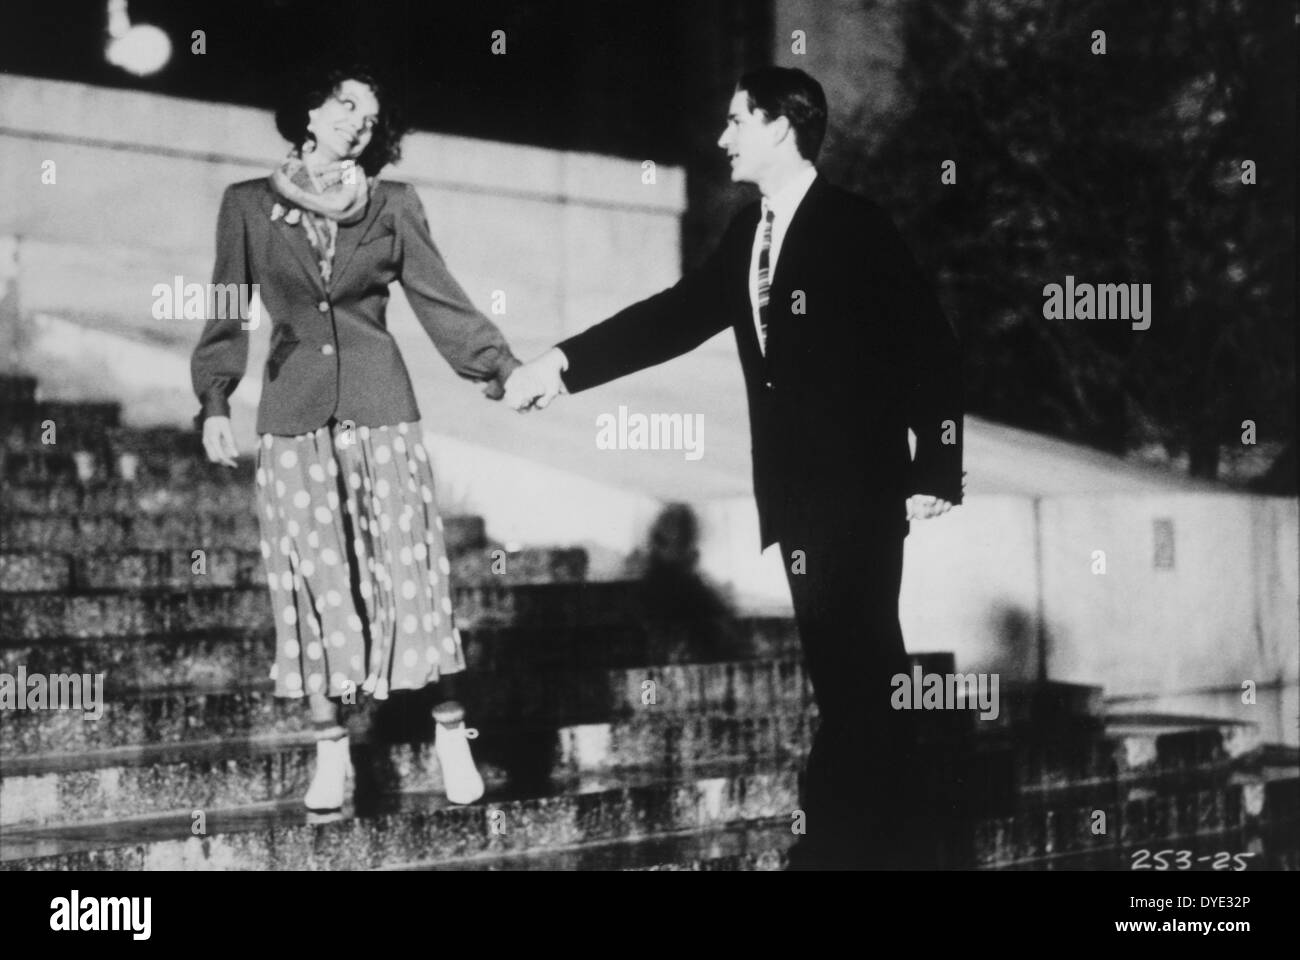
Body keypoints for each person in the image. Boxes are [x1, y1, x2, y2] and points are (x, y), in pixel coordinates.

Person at [506, 67, 964, 869]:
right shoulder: (748, 231)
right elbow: (676, 317)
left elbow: (926, 343)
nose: (722, 139)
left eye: (734, 123)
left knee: (861, 677)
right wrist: (563, 364)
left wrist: (937, 466)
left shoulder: (857, 226)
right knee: (854, 679)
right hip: (794, 501)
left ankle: (836, 849)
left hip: (858, 493)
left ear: (781, 127)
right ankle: (891, 847)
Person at [192, 65, 521, 815]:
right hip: (293, 413)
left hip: (381, 408)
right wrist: (215, 397)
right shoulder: (246, 205)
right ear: (308, 110)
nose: (357, 122)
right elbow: (226, 307)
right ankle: (332, 752)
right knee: (312, 585)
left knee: (413, 579)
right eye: (345, 105)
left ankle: (449, 734)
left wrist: (497, 369)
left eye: (370, 118)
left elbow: (442, 297)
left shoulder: (393, 205)